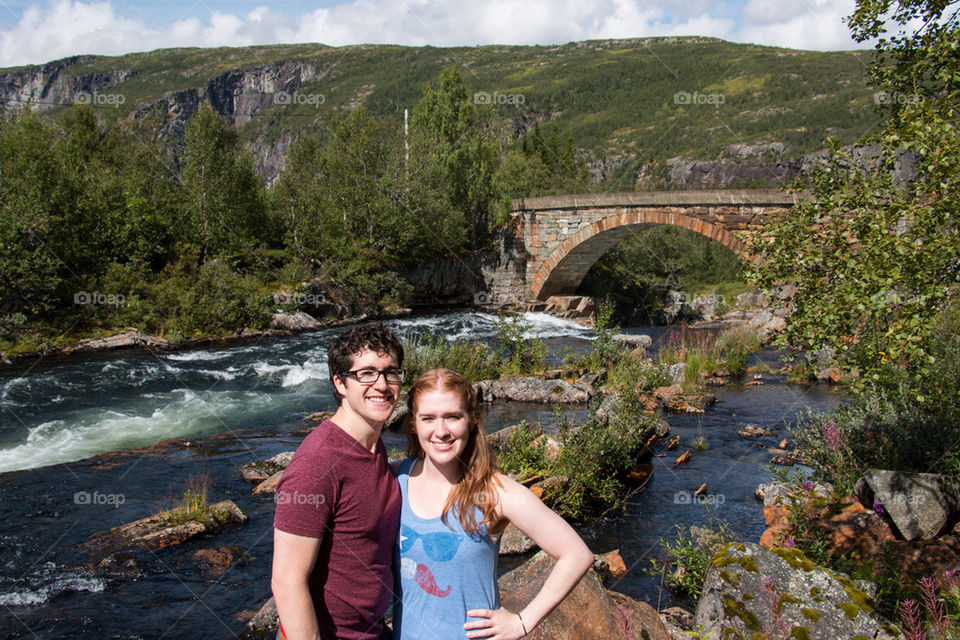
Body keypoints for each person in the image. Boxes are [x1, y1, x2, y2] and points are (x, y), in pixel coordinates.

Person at [393, 368, 595, 640]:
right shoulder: (396, 478)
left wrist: (522, 623)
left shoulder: (495, 491)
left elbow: (577, 554)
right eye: (428, 418)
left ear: (471, 420)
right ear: (413, 423)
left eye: (452, 417)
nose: (441, 431)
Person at [272, 322, 405, 640]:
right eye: (366, 374)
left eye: (390, 372)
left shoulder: (371, 443)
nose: (381, 385)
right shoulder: (316, 464)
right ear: (340, 383)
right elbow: (287, 582)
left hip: (372, 630)